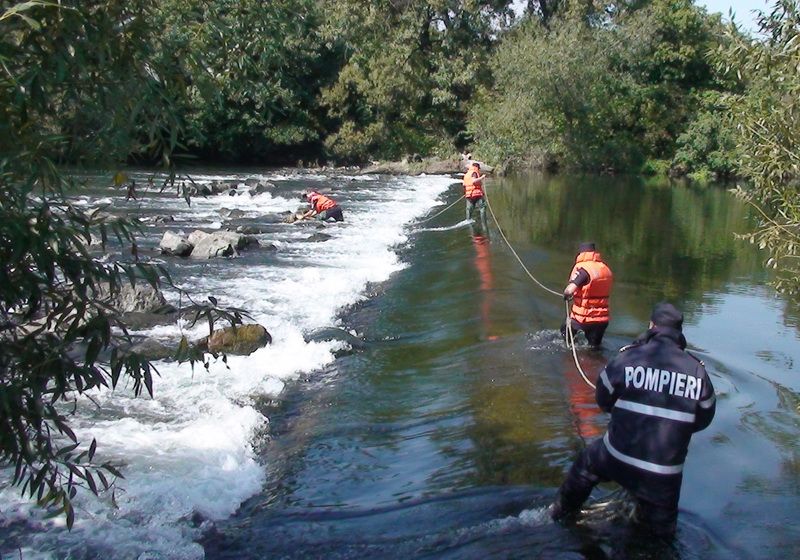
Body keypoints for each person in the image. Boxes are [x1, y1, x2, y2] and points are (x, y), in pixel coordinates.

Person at [552, 302, 717, 538]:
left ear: (652, 325)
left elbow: (603, 398)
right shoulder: (697, 372)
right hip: (663, 475)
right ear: (680, 332)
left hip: (616, 457)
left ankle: (560, 514)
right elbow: (703, 420)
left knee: (587, 464)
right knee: (661, 537)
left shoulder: (628, 357)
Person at [561, 242, 613, 348]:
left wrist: (566, 295)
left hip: (584, 318)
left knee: (565, 332)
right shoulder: (605, 269)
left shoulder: (583, 270)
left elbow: (569, 290)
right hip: (602, 319)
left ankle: (571, 352)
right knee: (594, 348)